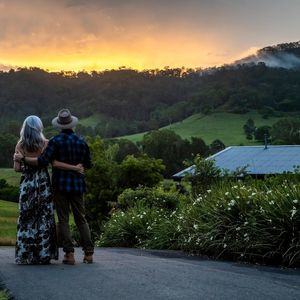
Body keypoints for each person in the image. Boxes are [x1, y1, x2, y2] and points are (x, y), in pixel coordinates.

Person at [14, 109, 94, 265]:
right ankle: (88, 254)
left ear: (59, 125)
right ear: (73, 124)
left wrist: (23, 158)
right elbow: (88, 164)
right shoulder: (81, 142)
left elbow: (44, 161)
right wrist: (77, 167)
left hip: (60, 185)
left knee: (62, 220)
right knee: (81, 219)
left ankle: (69, 254)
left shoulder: (55, 142)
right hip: (77, 185)